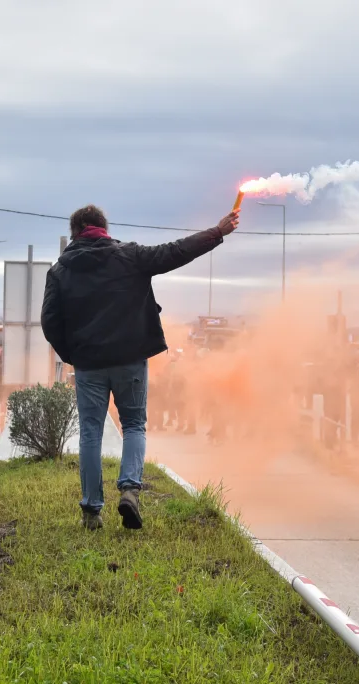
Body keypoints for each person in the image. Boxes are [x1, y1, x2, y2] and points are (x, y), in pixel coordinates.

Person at [42, 204, 239, 530]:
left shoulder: (60, 270)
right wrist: (217, 232)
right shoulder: (130, 256)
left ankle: (91, 511)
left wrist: (73, 354)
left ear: (75, 232)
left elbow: (50, 322)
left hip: (89, 364)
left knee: (90, 432)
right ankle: (130, 489)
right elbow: (176, 252)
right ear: (104, 228)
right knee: (133, 424)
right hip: (130, 359)